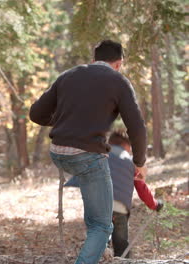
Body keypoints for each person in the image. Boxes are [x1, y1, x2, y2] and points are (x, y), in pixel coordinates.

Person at [29, 40, 147, 264]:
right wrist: (139, 162)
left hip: (59, 153)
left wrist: (61, 122)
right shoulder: (118, 81)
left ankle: (97, 251)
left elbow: (35, 114)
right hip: (87, 156)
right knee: (103, 226)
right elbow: (137, 127)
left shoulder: (68, 75)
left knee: (96, 215)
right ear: (119, 63)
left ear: (94, 59)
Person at [65, 130, 164, 258]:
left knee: (98, 238)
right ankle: (121, 259)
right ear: (127, 145)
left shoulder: (99, 154)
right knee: (121, 244)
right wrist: (155, 205)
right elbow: (142, 188)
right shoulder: (129, 161)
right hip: (119, 208)